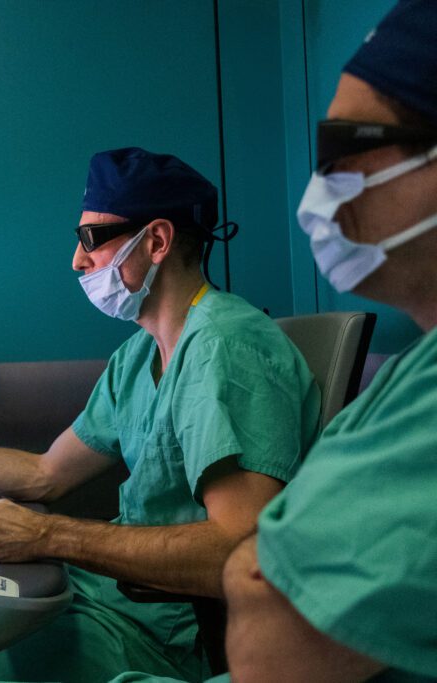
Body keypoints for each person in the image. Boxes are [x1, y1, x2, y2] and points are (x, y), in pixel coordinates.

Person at [0, 148, 320, 682]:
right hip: (103, 601)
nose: (78, 260)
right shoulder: (139, 355)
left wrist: (48, 536)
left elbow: (240, 548)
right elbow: (44, 474)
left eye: (92, 239)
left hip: (163, 635)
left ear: (157, 241)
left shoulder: (227, 348)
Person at [220, 2, 437, 681]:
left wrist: (254, 558)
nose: (316, 190)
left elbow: (270, 641)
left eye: (341, 149)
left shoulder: (226, 343)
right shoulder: (416, 367)